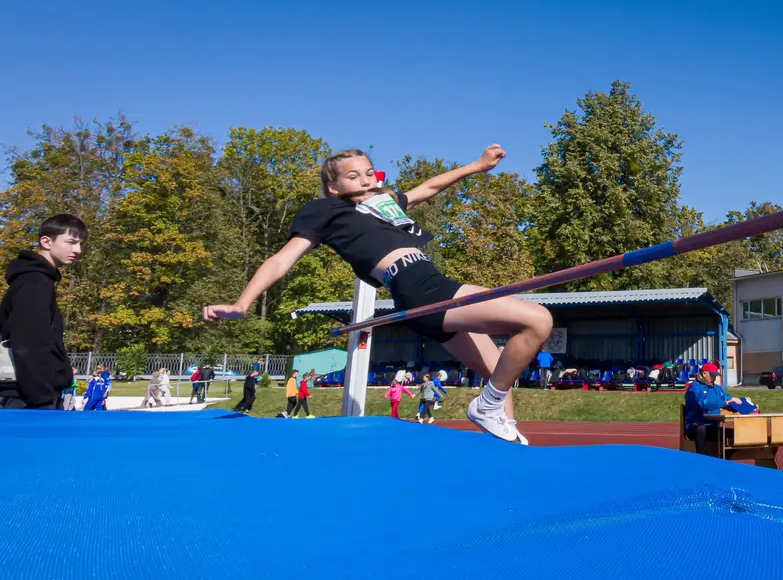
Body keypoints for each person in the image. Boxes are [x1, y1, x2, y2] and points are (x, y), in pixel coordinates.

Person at [202, 144, 553, 445]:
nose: (365, 179)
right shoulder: (325, 210)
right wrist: (242, 302)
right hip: (420, 290)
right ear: (333, 187)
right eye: (353, 176)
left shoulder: (385, 204)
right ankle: (487, 408)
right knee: (538, 320)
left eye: (368, 172)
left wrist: (478, 166)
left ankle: (509, 444)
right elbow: (283, 258)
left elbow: (429, 187)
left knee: (500, 378)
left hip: (429, 286)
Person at [0, 214, 86, 409]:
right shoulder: (34, 283)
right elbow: (29, 347)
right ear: (46, 242)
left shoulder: (39, 280)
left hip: (27, 397)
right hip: (24, 401)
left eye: (80, 244)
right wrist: (43, 401)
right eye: (71, 242)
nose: (78, 250)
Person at [683, 363, 742, 455]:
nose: (714, 378)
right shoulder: (694, 388)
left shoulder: (717, 388)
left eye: (715, 376)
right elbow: (704, 404)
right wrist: (723, 403)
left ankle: (721, 459)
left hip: (712, 426)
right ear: (704, 373)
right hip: (694, 426)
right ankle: (701, 459)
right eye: (712, 375)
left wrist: (741, 403)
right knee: (701, 429)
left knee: (736, 435)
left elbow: (727, 399)